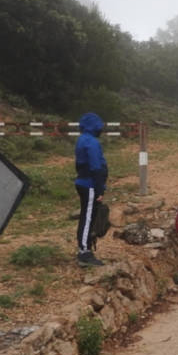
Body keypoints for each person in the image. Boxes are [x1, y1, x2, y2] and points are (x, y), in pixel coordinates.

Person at [74, 112, 108, 267]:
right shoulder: (92, 143)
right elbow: (96, 167)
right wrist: (100, 189)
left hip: (84, 182)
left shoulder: (82, 139)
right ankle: (84, 252)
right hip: (90, 185)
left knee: (86, 216)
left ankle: (85, 246)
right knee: (87, 218)